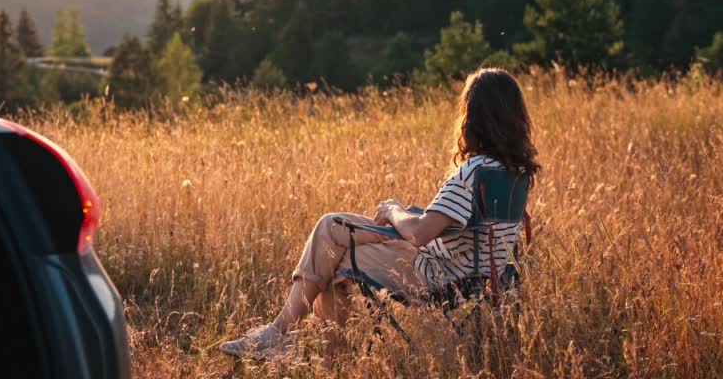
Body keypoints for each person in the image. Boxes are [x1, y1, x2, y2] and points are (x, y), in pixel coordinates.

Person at [220, 68, 540, 358]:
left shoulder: (473, 171)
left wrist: (393, 210)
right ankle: (294, 342)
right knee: (332, 227)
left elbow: (418, 234)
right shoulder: (517, 173)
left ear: (473, 117)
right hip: (476, 277)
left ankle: (302, 346)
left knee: (336, 258)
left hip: (438, 276)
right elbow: (462, 227)